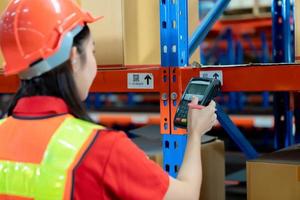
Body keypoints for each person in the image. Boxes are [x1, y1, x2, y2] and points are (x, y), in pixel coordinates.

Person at [0, 0, 217, 199]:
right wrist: (195, 133)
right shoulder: (100, 148)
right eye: (92, 51)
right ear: (74, 57)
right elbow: (185, 196)